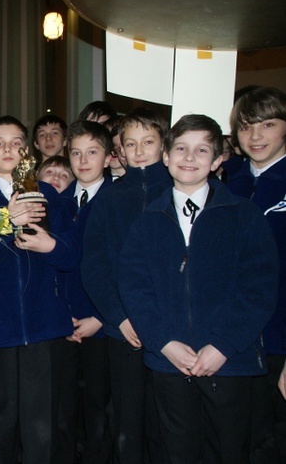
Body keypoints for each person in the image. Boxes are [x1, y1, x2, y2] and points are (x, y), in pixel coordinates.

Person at [119, 114, 278, 462]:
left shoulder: (244, 215)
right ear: (165, 156)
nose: (189, 158)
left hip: (229, 359)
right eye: (181, 149)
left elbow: (259, 287)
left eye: (202, 150)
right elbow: (135, 288)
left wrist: (223, 344)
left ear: (218, 159)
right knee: (177, 451)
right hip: (170, 361)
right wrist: (164, 343)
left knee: (229, 450)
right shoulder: (146, 222)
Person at [0, 116, 77, 463]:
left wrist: (52, 247)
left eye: (16, 143)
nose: (8, 149)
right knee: (0, 420)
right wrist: (4, 224)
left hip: (43, 322)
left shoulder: (48, 195)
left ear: (26, 151)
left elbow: (73, 255)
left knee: (41, 420)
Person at [82, 108, 170, 463]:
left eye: (148, 142)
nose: (139, 150)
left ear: (165, 145)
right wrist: (118, 317)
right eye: (131, 144)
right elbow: (95, 266)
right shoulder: (110, 198)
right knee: (127, 421)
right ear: (119, 151)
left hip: (174, 330)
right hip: (125, 330)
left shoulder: (182, 191)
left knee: (168, 423)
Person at [225, 86, 286, 462]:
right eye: (247, 127)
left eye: (268, 124)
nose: (257, 136)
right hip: (235, 341)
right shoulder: (228, 186)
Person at [53, 120, 114, 463]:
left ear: (108, 157)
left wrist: (101, 318)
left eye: (92, 152)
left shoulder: (119, 202)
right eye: (75, 153)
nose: (83, 160)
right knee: (62, 407)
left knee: (98, 410)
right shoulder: (57, 202)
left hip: (100, 323)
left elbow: (125, 268)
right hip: (63, 321)